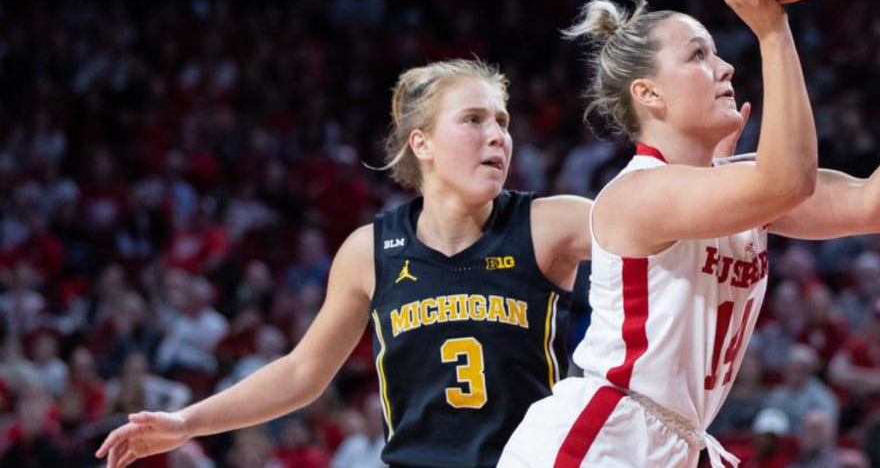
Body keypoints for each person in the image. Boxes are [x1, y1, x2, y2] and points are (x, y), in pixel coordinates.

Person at [500, 0, 880, 468]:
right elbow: (786, 181)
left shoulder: (734, 188)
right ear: (650, 95)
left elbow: (873, 205)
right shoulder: (638, 193)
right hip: (600, 438)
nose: (726, 67)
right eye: (698, 55)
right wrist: (772, 30)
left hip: (670, 442)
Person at [96, 60, 596, 468]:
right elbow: (301, 374)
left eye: (502, 121)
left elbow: (658, 229)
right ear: (421, 143)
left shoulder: (550, 224)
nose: (497, 136)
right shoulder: (369, 250)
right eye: (474, 119)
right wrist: (186, 424)